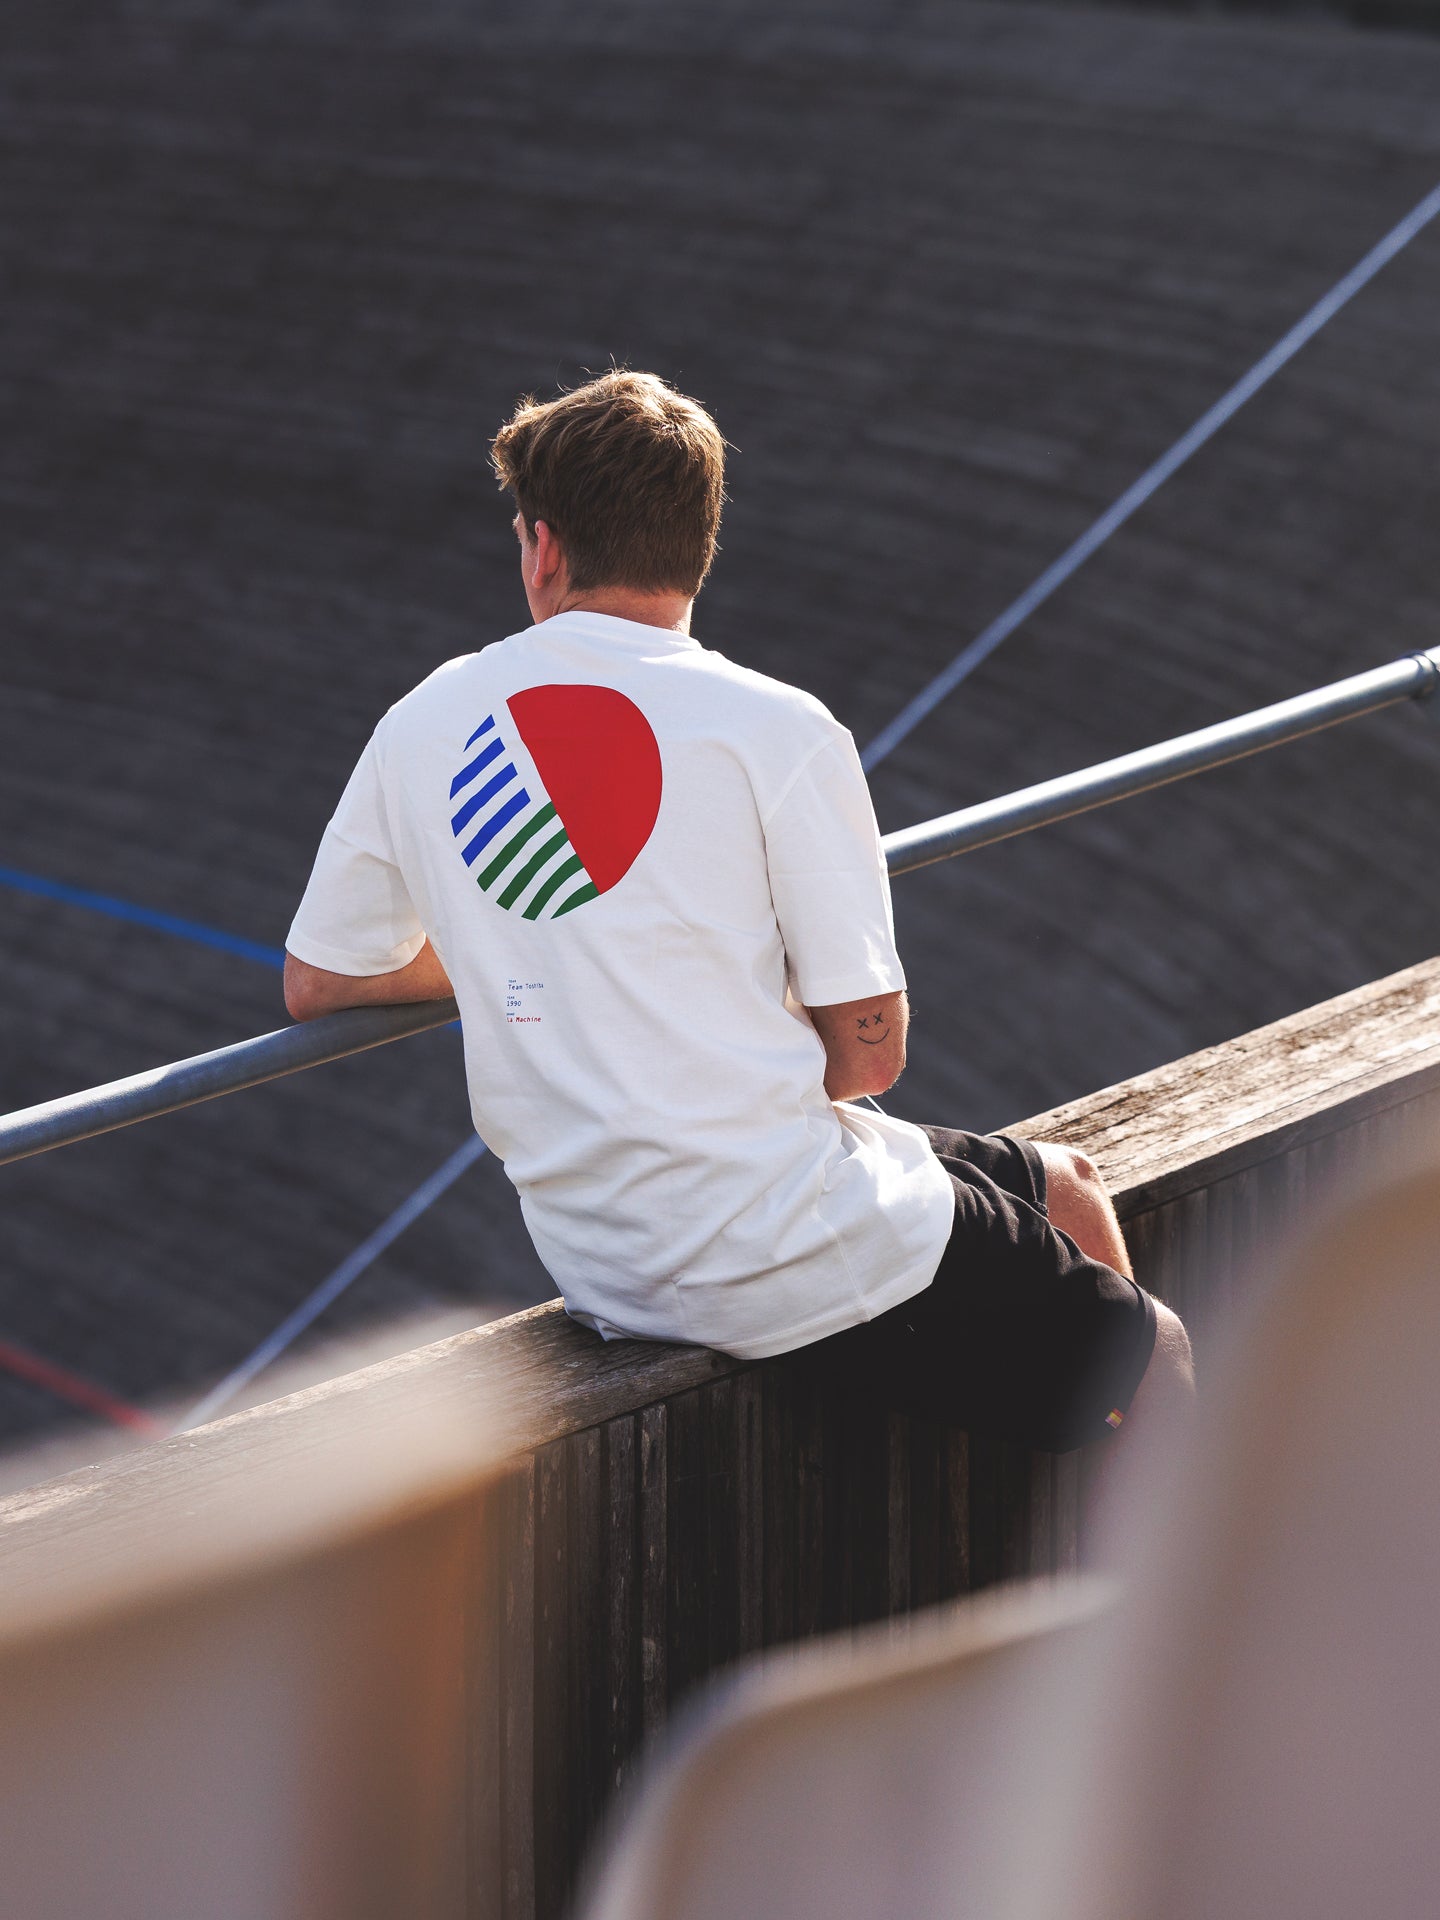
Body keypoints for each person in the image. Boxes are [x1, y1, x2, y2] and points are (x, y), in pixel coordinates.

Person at [284, 370, 1192, 1456]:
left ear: (543, 548)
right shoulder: (779, 727)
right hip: (784, 1247)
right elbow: (870, 1057)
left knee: (1067, 1184)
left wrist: (520, 946)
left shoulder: (422, 721)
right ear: (700, 545)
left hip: (608, 1263)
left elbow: (320, 981)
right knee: (1161, 1352)